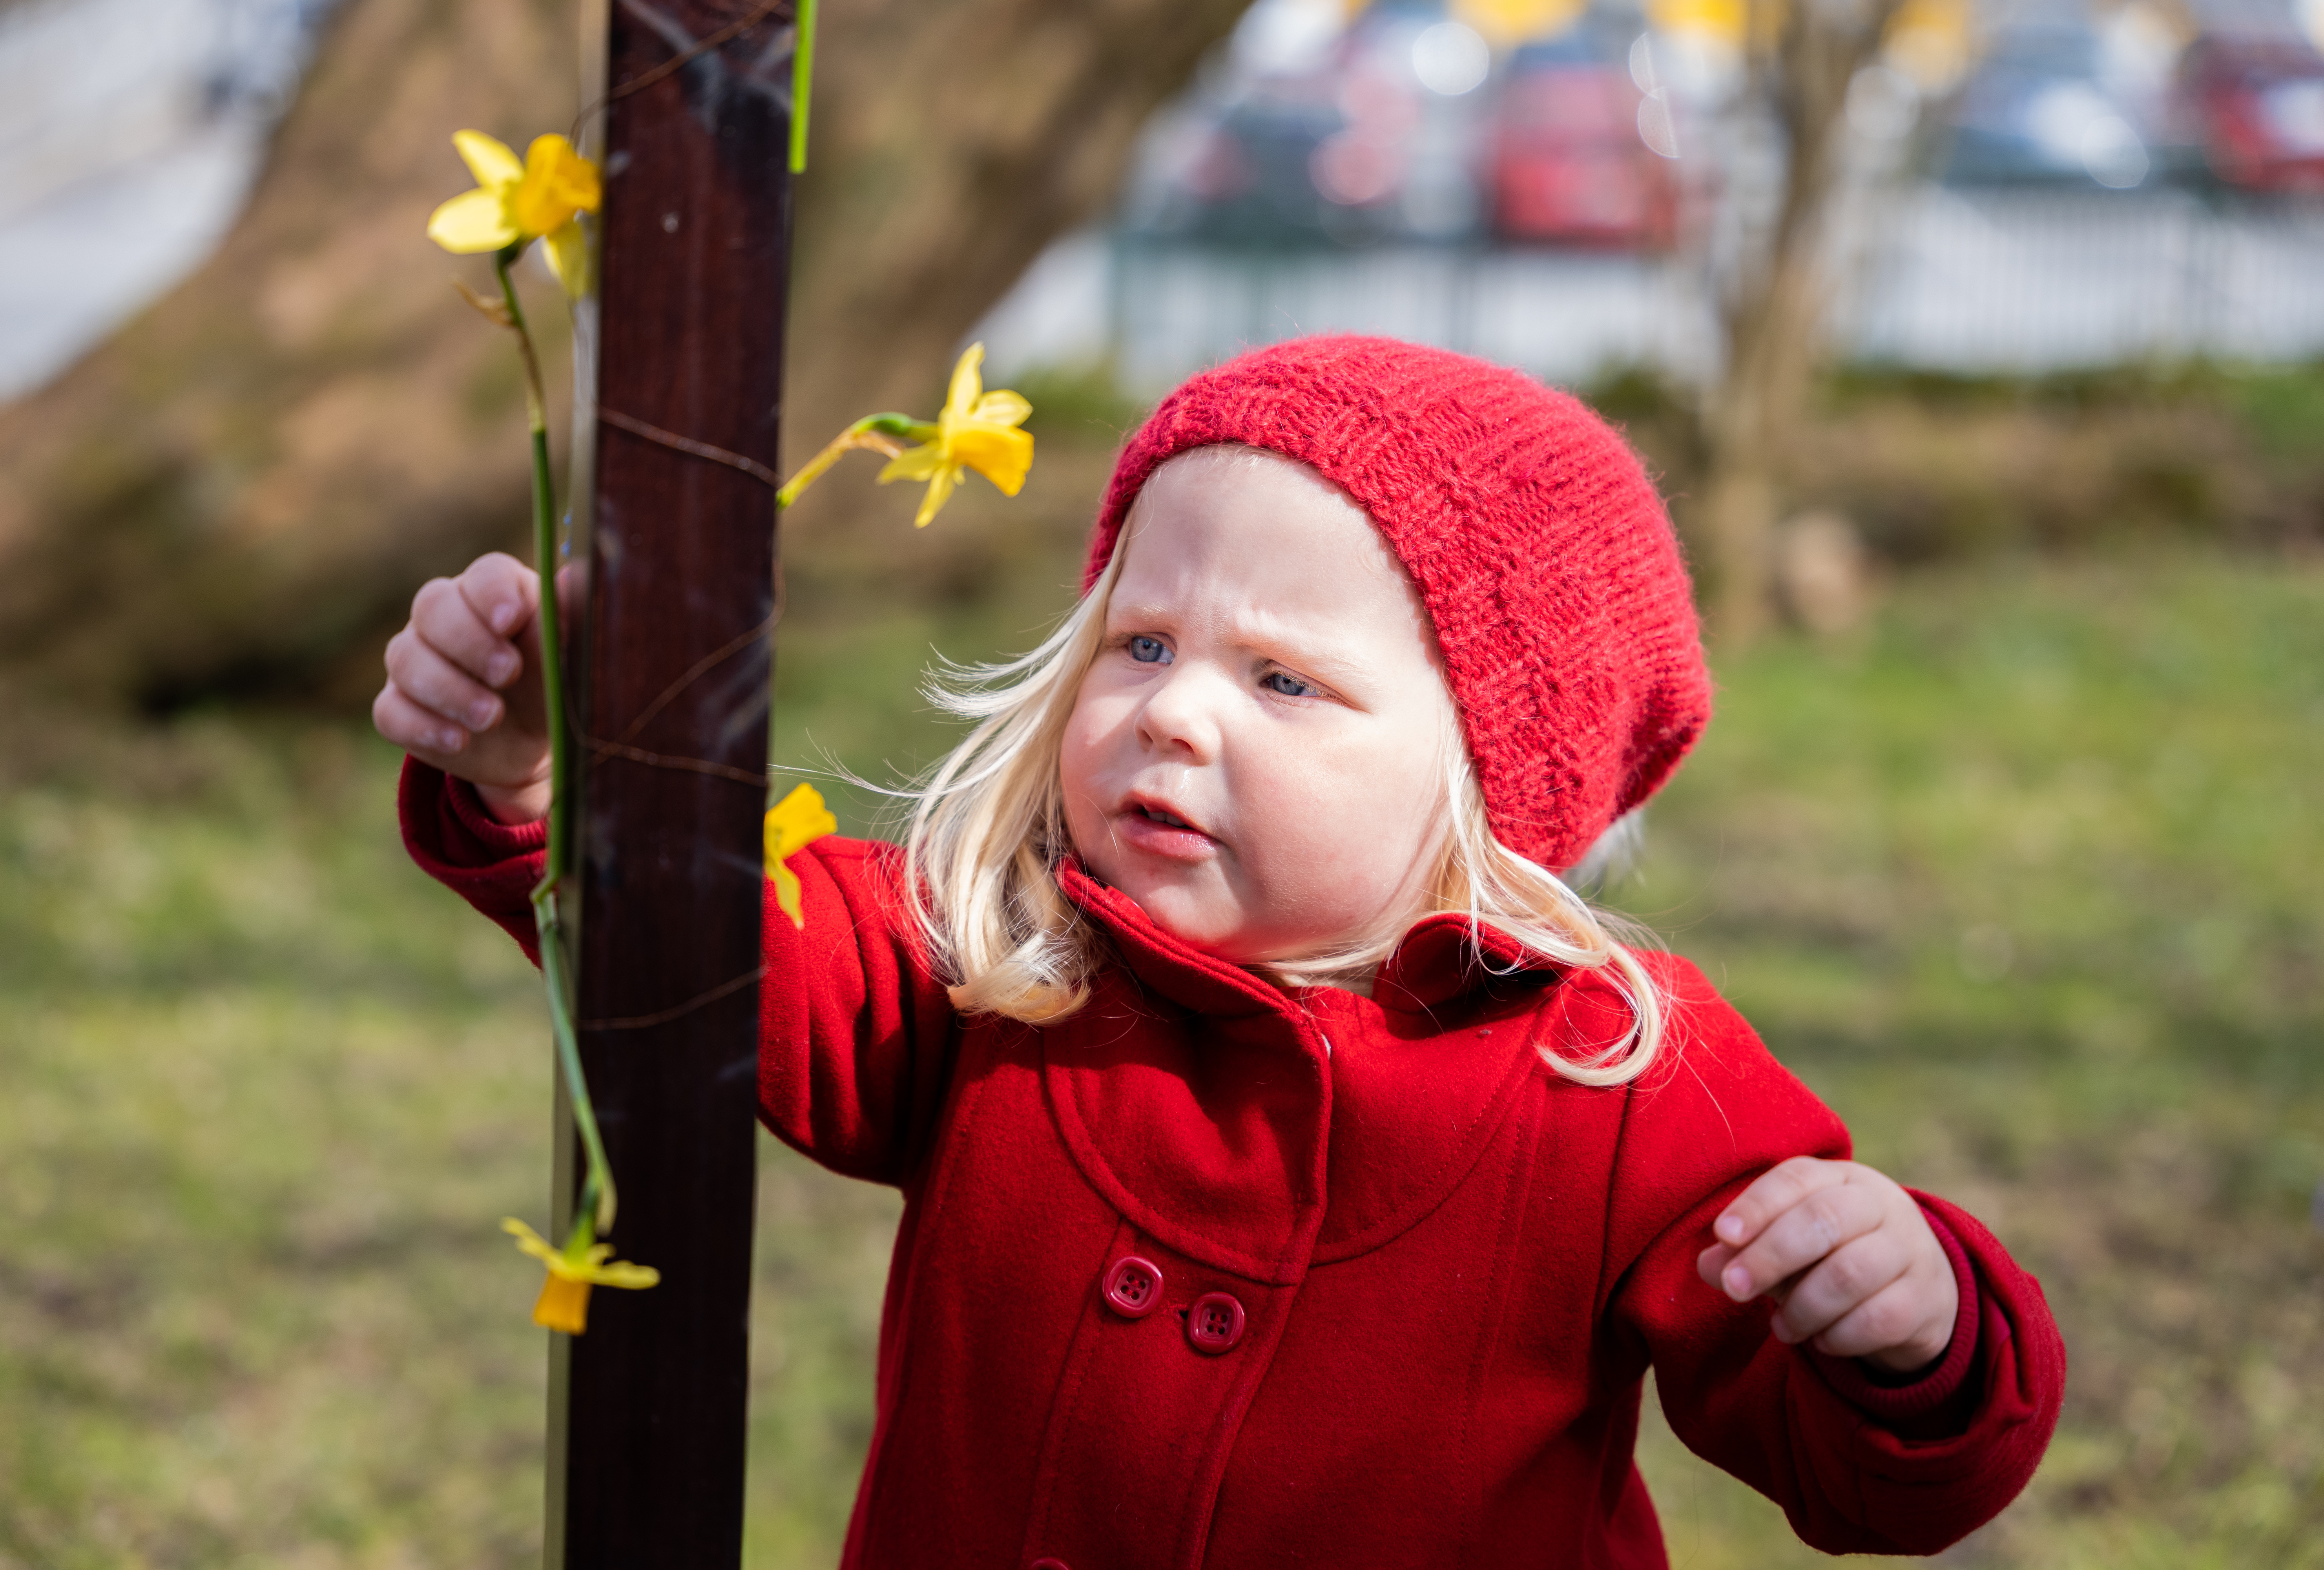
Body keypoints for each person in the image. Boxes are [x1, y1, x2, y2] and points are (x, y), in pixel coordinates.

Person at [379, 336, 2064, 1567]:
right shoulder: (1002, 960)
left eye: (1281, 679)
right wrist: (546, 784)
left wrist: (1908, 1327)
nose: (1173, 711)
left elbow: (1872, 1473)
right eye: (1140, 642)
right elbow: (714, 955)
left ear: (1491, 779)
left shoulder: (1616, 1076)